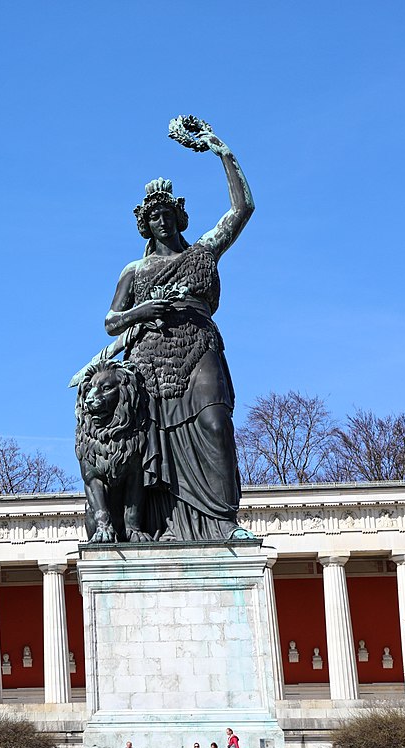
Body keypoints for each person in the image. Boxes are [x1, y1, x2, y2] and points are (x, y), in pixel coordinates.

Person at [102, 124, 254, 541]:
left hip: (198, 343)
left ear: (179, 217)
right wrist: (143, 310)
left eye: (168, 215)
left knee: (215, 422)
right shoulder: (134, 271)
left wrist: (222, 152)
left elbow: (242, 209)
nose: (162, 222)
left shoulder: (203, 251)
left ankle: (224, 521)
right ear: (145, 226)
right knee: (155, 444)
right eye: (154, 217)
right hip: (150, 359)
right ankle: (157, 524)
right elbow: (111, 322)